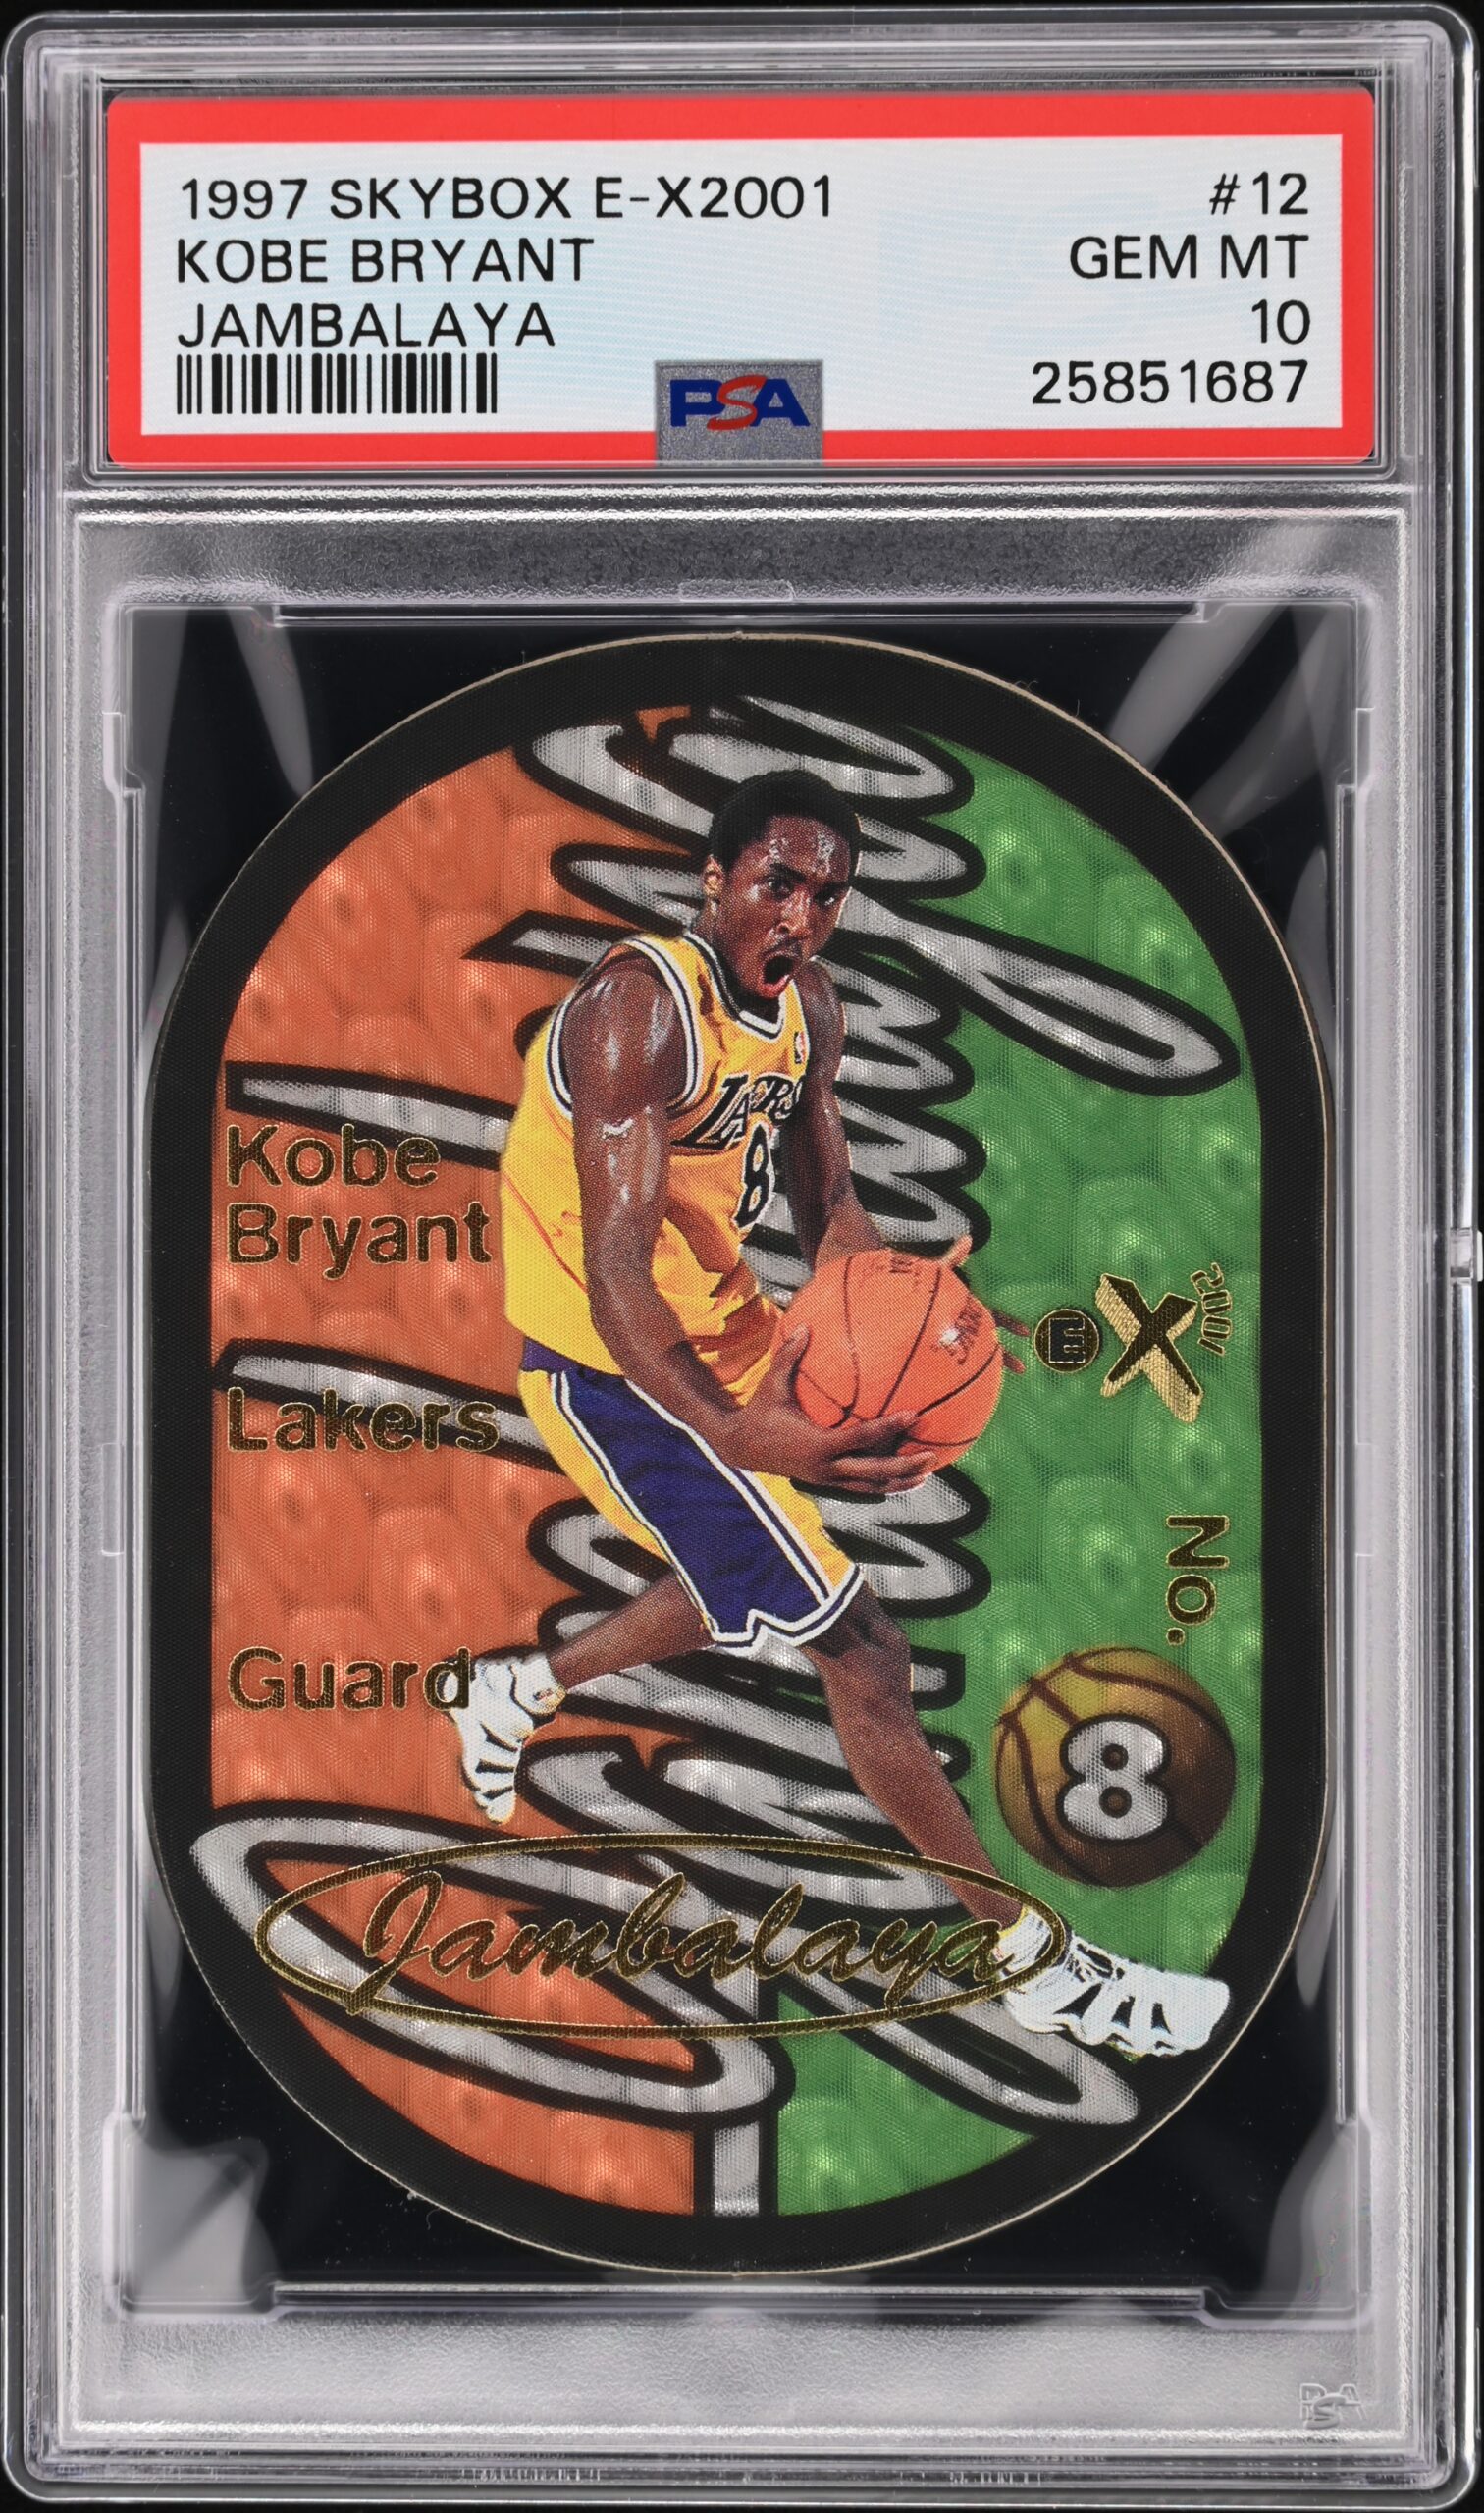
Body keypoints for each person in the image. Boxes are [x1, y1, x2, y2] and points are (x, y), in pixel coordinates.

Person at [450, 769, 1228, 2059]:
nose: (802, 915)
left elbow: (829, 1204)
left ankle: (519, 1686)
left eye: (828, 893)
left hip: (727, 1325)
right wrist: (737, 1431)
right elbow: (615, 1276)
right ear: (716, 879)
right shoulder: (640, 1015)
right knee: (862, 1651)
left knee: (747, 1573)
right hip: (612, 1369)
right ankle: (1033, 1962)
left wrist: (900, 1310)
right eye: (778, 884)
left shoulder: (808, 1006)